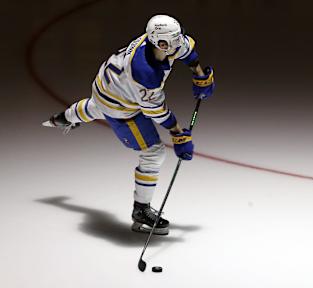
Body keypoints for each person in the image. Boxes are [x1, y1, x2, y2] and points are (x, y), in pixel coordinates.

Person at [42, 15, 215, 235]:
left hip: (108, 90)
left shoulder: (158, 43)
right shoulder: (145, 74)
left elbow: (187, 51)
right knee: (153, 152)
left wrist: (199, 75)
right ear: (161, 44)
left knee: (98, 106)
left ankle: (64, 118)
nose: (179, 42)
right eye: (174, 40)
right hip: (120, 106)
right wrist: (179, 134)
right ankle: (141, 211)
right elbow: (156, 111)